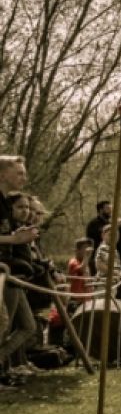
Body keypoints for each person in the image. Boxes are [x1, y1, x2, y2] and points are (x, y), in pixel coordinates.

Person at [0, 157, 40, 383]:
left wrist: (21, 238)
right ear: (3, 174)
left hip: (11, 273)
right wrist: (15, 239)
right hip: (3, 273)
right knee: (3, 325)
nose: (24, 178)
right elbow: (9, 239)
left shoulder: (6, 202)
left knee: (27, 326)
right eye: (19, 173)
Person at [84, 200, 111, 274]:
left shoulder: (109, 224)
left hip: (107, 257)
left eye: (110, 208)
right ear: (100, 210)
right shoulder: (93, 224)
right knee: (95, 282)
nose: (110, 210)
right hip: (95, 257)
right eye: (107, 208)